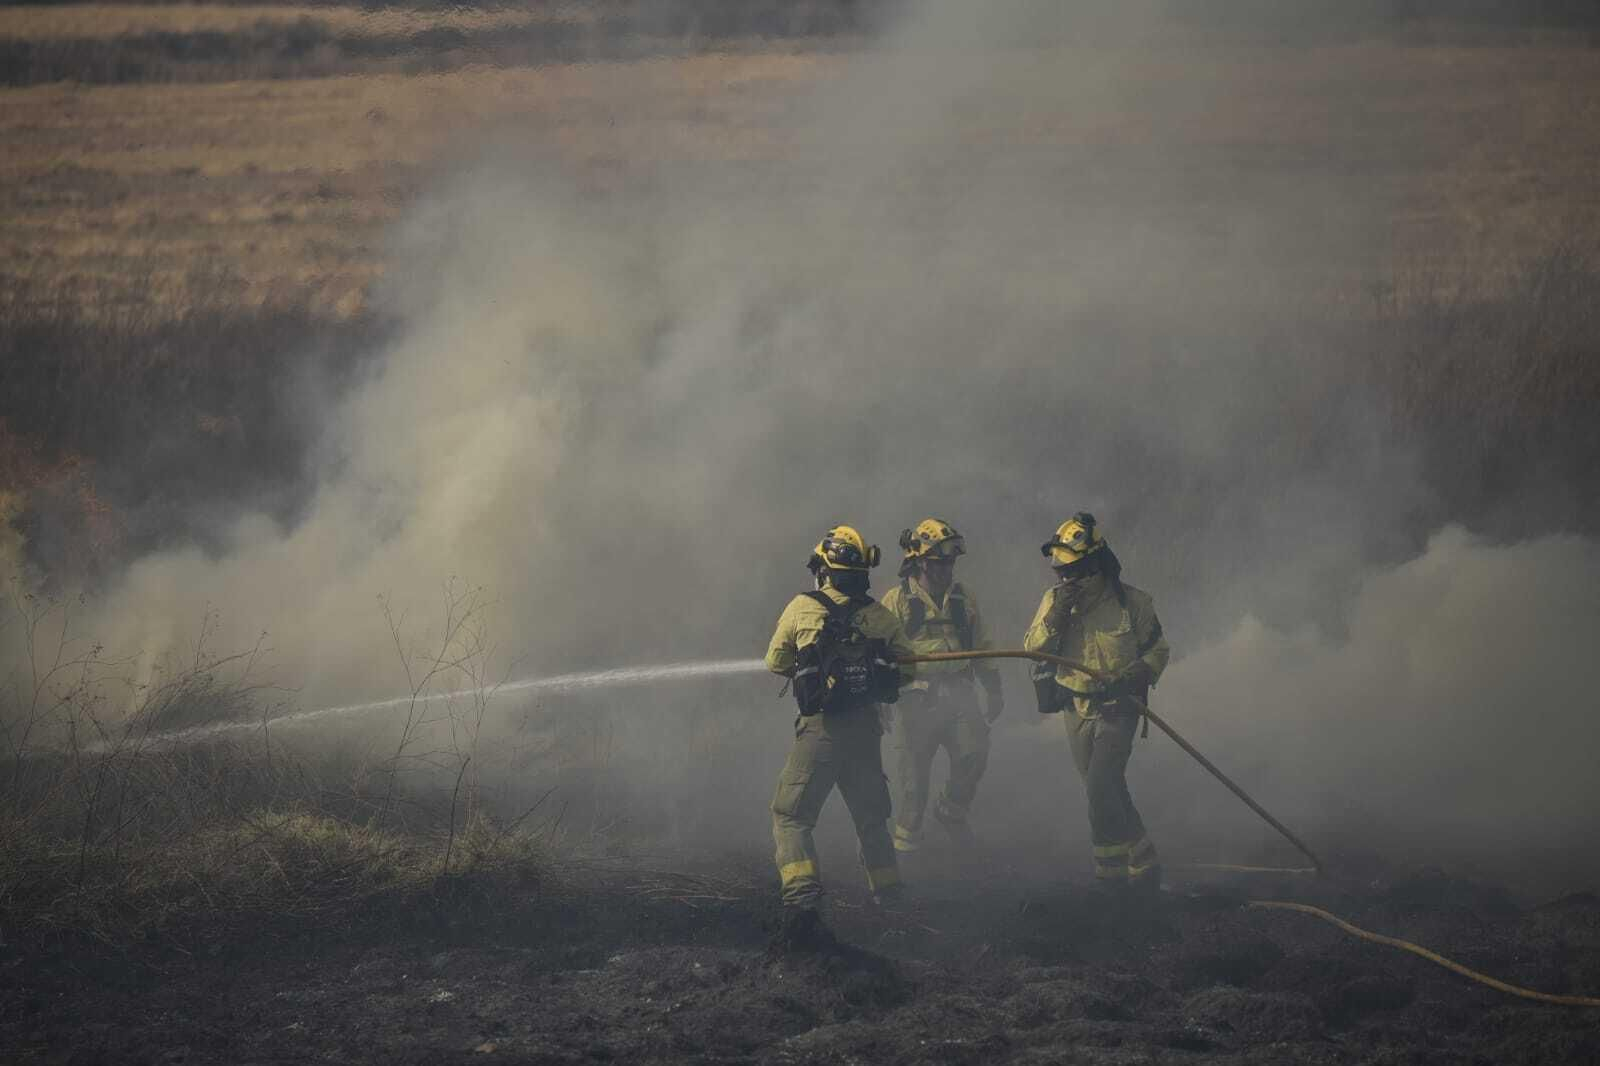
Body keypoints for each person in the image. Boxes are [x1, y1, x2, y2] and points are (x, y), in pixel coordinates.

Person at [765, 524, 915, 946]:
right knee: (871, 820)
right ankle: (891, 899)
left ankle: (802, 901)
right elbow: (910, 669)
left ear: (824, 571)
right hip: (867, 731)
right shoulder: (881, 618)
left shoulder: (802, 607)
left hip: (822, 732)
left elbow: (775, 660)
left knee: (791, 816)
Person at [1023, 513, 1170, 892]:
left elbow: (1157, 651)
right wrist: (1055, 617)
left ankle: (1112, 882)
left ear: (1094, 566)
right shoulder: (1053, 602)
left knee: (1101, 787)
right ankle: (1144, 856)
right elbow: (1032, 650)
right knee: (1105, 786)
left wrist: (1136, 675)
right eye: (1060, 573)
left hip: (1119, 708)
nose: (1065, 580)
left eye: (1072, 572)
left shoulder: (1132, 603)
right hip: (1075, 706)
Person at [880, 519, 1003, 855]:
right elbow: (878, 654)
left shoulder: (963, 598)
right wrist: (880, 702)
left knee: (974, 755)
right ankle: (907, 860)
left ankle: (951, 812)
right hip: (914, 699)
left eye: (950, 562)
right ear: (919, 561)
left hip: (959, 693)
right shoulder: (895, 601)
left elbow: (982, 643)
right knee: (913, 784)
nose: (947, 568)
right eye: (939, 562)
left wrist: (993, 687)